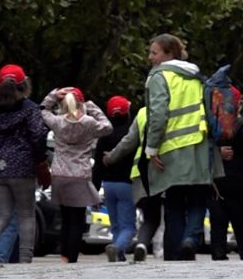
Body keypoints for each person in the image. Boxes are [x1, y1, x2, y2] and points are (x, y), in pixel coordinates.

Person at [143, 33, 222, 261]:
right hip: (199, 146)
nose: (150, 57)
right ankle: (191, 239)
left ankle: (176, 252)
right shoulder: (196, 76)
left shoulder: (160, 76)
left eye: (154, 52)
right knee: (198, 200)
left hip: (173, 148)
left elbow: (158, 115)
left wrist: (151, 148)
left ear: (168, 54)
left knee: (175, 204)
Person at [0, 64, 49, 264]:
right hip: (22, 168)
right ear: (24, 86)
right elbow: (38, 135)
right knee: (26, 215)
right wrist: (40, 160)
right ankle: (25, 259)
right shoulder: (30, 109)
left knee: (0, 214)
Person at [42, 87, 112, 263]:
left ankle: (64, 254)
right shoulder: (89, 122)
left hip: (59, 174)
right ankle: (72, 256)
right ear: (81, 103)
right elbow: (108, 127)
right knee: (77, 219)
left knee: (65, 217)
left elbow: (42, 110)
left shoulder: (57, 122)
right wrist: (93, 106)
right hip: (80, 175)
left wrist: (52, 96)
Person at [207, 86, 243, 261]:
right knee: (242, 226)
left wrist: (216, 152)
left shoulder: (211, 124)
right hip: (237, 180)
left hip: (216, 182)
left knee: (218, 225)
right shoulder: (240, 124)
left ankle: (219, 258)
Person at [103, 106, 161, 263]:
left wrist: (110, 158)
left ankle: (120, 250)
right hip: (133, 181)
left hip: (121, 180)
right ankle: (121, 247)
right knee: (130, 225)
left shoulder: (141, 113)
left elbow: (127, 143)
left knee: (117, 224)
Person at [92, 95, 136, 262]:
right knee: (129, 227)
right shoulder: (131, 135)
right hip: (126, 184)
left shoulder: (104, 137)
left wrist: (94, 190)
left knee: (116, 224)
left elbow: (97, 167)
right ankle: (118, 248)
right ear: (127, 113)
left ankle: (118, 255)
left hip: (108, 184)